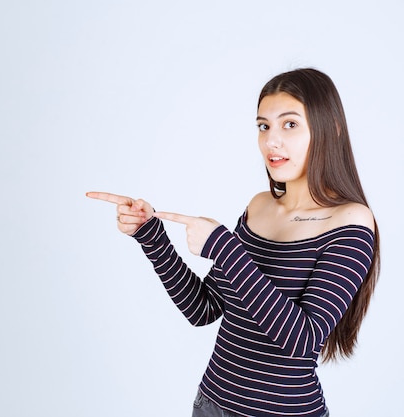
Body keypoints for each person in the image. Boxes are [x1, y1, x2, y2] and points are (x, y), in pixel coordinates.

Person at [87, 68, 380, 417]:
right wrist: (150, 235)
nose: (272, 141)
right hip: (212, 404)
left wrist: (225, 248)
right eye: (263, 126)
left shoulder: (351, 221)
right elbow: (203, 309)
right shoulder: (259, 206)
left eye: (289, 125)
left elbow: (302, 342)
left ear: (330, 129)